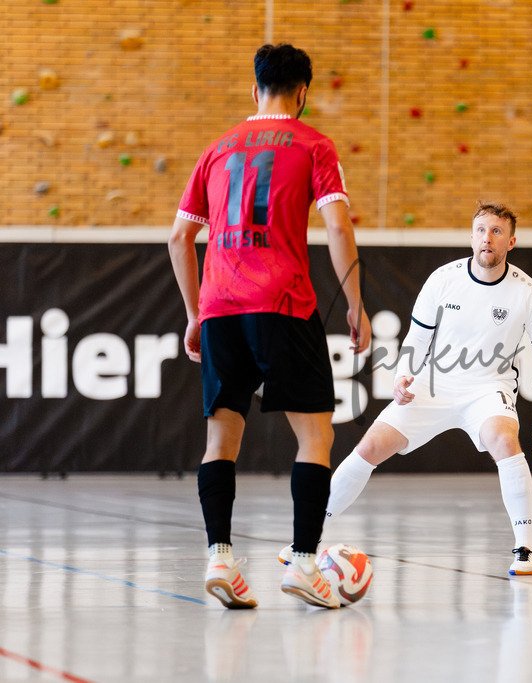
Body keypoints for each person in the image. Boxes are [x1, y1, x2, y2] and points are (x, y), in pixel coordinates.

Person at [168, 44, 371, 610]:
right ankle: (305, 563)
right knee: (316, 436)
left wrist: (194, 315)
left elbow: (179, 239)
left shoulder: (216, 149)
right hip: (282, 304)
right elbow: (337, 227)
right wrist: (354, 302)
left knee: (220, 439)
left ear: (253, 89)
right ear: (303, 92)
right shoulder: (314, 145)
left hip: (221, 309)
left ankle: (221, 558)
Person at [280, 201, 532, 575]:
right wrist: (402, 377)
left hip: (488, 388)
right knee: (369, 446)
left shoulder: (529, 293)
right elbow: (416, 340)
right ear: (470, 237)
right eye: (480, 230)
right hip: (433, 383)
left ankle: (525, 549)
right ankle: (307, 538)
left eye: (496, 232)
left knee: (505, 441)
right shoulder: (444, 278)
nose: (487, 238)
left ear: (511, 242)